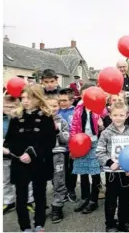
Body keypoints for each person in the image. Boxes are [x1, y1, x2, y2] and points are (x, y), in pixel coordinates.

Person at [3, 84, 56, 232]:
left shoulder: (46, 117)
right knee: (21, 196)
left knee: (40, 194)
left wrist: (32, 153)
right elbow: (10, 140)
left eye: (29, 97)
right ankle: (25, 226)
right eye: (23, 97)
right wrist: (12, 151)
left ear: (38, 98)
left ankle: (39, 224)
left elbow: (49, 142)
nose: (25, 101)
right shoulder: (16, 117)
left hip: (39, 162)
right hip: (20, 162)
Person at [96, 101, 129, 232]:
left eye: (121, 115)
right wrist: (109, 163)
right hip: (112, 172)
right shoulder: (106, 133)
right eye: (115, 115)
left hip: (126, 172)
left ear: (126, 116)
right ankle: (110, 224)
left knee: (125, 199)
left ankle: (124, 222)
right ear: (110, 115)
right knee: (111, 199)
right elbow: (99, 151)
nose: (118, 118)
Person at [70, 83, 105, 214]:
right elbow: (73, 128)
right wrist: (73, 147)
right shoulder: (78, 108)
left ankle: (93, 200)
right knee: (83, 172)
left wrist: (101, 125)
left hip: (95, 143)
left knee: (95, 172)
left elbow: (106, 123)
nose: (87, 97)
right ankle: (85, 198)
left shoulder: (100, 108)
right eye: (84, 94)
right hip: (81, 143)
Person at [3, 95, 34, 215]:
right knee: (5, 180)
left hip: (20, 154)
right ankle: (9, 201)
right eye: (6, 106)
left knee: (26, 178)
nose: (10, 109)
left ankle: (29, 200)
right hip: (4, 155)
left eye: (13, 107)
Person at [45, 95, 70, 223]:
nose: (52, 108)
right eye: (48, 106)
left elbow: (66, 139)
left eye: (54, 106)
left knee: (59, 181)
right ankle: (41, 206)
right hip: (44, 156)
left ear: (58, 106)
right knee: (40, 181)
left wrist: (57, 131)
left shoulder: (62, 121)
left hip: (58, 156)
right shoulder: (40, 120)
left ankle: (57, 207)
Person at [57, 88, 77, 203]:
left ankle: (71, 190)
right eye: (60, 100)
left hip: (71, 147)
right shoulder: (56, 111)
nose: (62, 103)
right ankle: (61, 190)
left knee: (71, 170)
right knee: (60, 170)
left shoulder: (75, 112)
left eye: (65, 100)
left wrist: (74, 148)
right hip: (59, 148)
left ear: (71, 100)